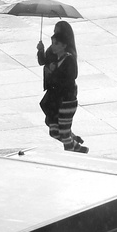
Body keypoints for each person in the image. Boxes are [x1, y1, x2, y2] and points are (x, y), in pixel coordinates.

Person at [37, 21, 87, 151]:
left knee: (62, 130)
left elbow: (70, 77)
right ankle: (73, 142)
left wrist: (54, 71)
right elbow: (43, 61)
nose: (55, 35)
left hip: (65, 98)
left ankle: (72, 144)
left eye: (57, 32)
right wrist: (40, 51)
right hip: (55, 95)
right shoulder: (55, 50)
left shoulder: (68, 56)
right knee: (54, 128)